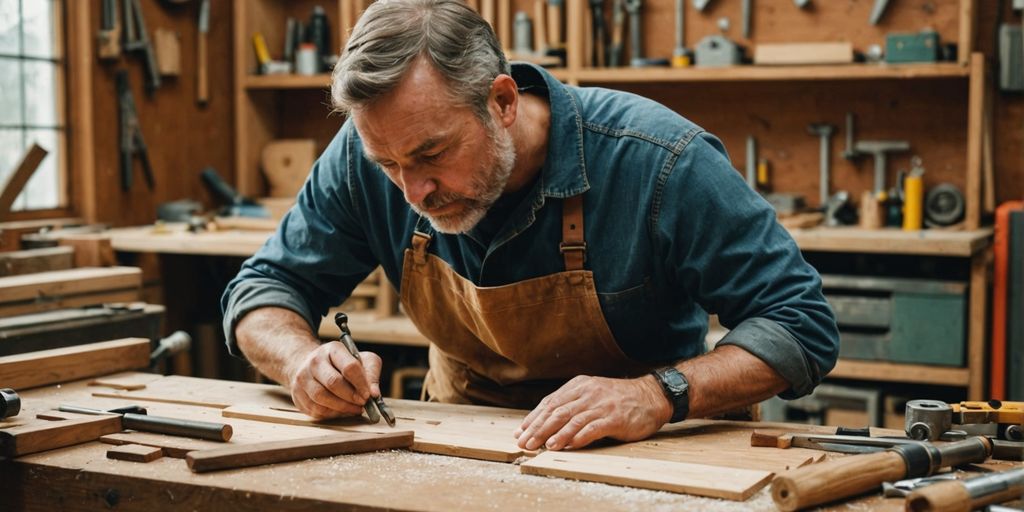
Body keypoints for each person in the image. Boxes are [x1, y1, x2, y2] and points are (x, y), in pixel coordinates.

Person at [222, 0, 839, 452]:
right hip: (460, 442)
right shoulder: (367, 156)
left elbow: (800, 322)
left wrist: (657, 394)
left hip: (649, 451)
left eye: (432, 155)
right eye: (390, 164)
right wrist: (299, 360)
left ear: (503, 101)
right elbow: (263, 289)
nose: (413, 191)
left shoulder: (658, 161)